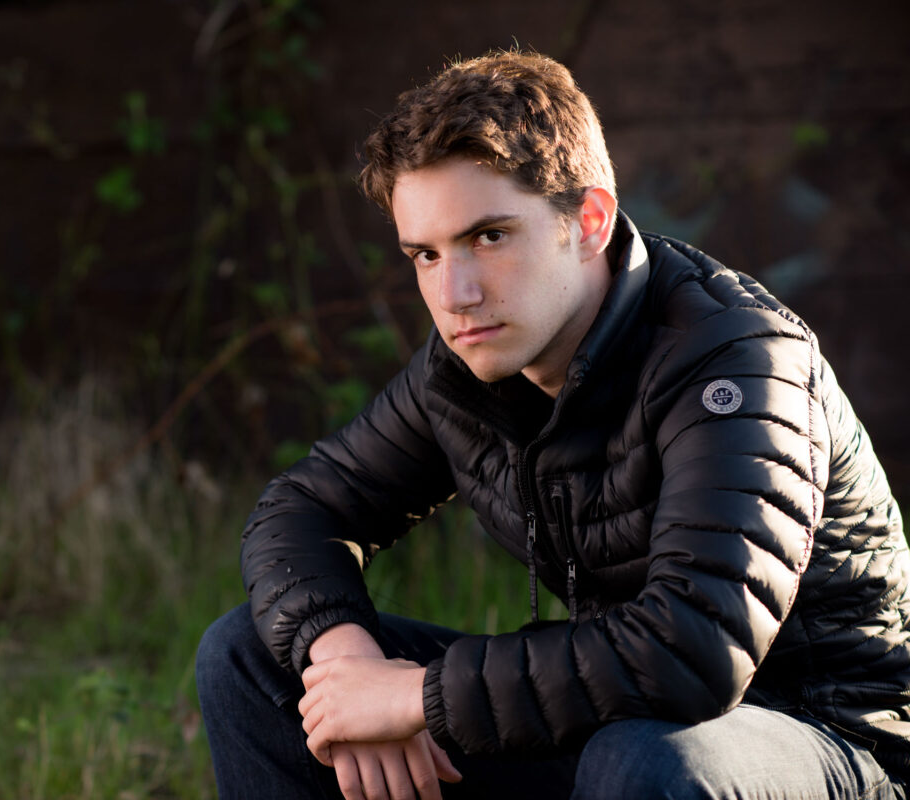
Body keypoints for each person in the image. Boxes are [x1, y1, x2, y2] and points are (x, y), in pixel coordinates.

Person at [196, 49, 910, 799]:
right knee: (249, 655)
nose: (455, 293)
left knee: (647, 760)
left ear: (590, 220)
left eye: (489, 237)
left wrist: (412, 698)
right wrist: (345, 664)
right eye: (426, 254)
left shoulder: (736, 363)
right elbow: (301, 509)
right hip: (623, 725)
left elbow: (691, 650)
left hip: (830, 747)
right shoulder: (469, 366)